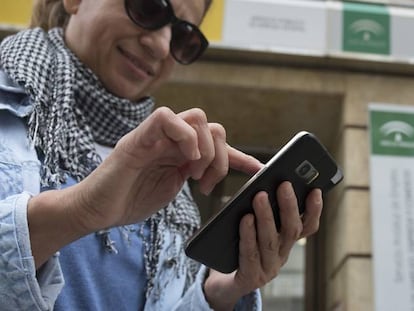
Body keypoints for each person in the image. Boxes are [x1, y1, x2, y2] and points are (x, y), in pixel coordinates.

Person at [0, 0, 323, 310]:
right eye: (148, 7)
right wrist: (77, 212)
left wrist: (219, 295)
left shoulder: (167, 170)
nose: (163, 45)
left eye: (184, 35)